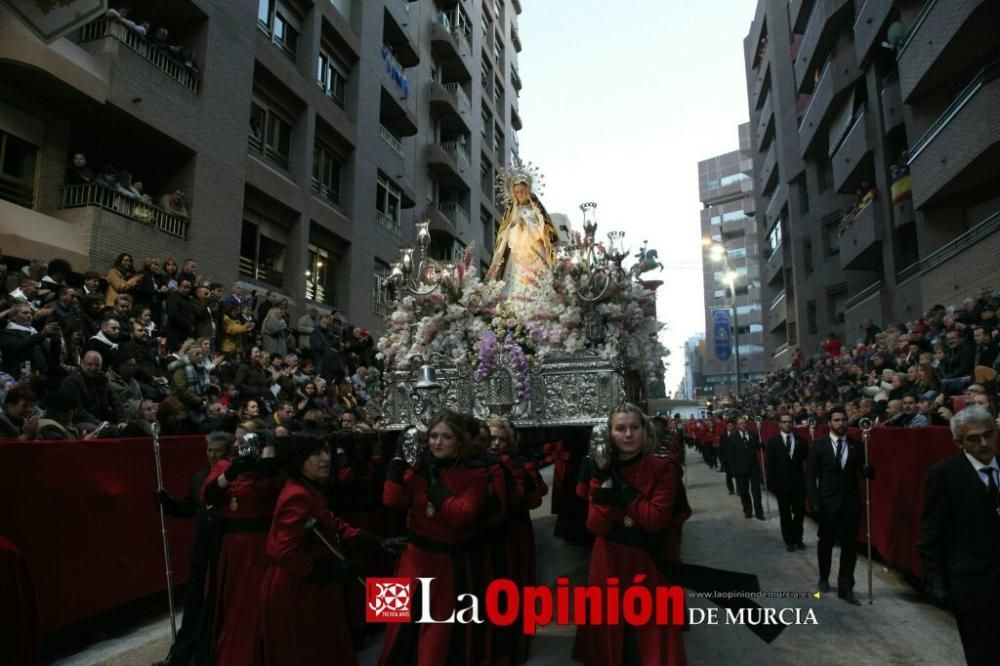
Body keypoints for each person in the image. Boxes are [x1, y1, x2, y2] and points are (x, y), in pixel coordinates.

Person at [255, 435, 403, 666]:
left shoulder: (309, 488)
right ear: (299, 460)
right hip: (299, 589)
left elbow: (333, 524)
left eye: (325, 452)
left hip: (311, 585)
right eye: (316, 454)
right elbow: (286, 551)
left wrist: (374, 542)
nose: (326, 458)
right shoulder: (298, 494)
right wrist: (329, 570)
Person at [572, 403, 686, 665]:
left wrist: (618, 491)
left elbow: (654, 520)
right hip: (608, 562)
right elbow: (596, 526)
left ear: (645, 432)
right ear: (609, 433)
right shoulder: (601, 469)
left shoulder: (662, 469)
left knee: (647, 643)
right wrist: (604, 484)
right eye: (620, 428)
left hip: (648, 561)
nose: (628, 434)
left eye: (634, 427)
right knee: (611, 643)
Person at [379, 411, 491, 666]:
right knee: (395, 632)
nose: (437, 442)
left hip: (448, 564)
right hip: (410, 559)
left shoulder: (477, 474)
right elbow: (392, 501)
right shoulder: (419, 468)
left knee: (438, 639)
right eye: (433, 436)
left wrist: (435, 486)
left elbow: (461, 517)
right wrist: (396, 465)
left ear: (460, 441)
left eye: (446, 437)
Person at [918, 405, 1000, 665]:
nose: (984, 443)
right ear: (958, 442)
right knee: (982, 653)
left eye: (989, 434)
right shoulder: (944, 474)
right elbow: (932, 532)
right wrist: (936, 580)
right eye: (974, 439)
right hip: (971, 585)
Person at [153, 431, 233, 666]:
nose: (211, 455)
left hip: (225, 547)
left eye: (216, 450)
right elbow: (189, 509)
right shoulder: (199, 477)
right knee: (194, 600)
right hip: (203, 547)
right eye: (209, 450)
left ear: (228, 452)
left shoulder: (234, 477)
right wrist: (167, 503)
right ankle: (181, 654)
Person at [201, 431, 280, 666]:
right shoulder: (228, 469)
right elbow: (209, 495)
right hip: (238, 550)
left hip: (271, 548)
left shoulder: (277, 476)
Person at [805, 406, 875, 605]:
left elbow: (866, 471)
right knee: (825, 543)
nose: (841, 423)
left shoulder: (857, 445)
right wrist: (814, 502)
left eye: (843, 420)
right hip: (827, 504)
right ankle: (824, 578)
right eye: (836, 420)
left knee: (850, 547)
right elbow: (810, 476)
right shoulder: (819, 446)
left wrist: (869, 470)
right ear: (829, 423)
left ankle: (846, 587)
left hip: (851, 504)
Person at [485, 166, 558, 302]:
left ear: (528, 191)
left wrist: (527, 223)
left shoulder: (536, 209)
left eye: (522, 191)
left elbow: (543, 230)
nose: (520, 195)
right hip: (517, 253)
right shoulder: (511, 212)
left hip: (535, 251)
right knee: (515, 287)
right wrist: (515, 225)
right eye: (517, 192)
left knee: (537, 284)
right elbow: (504, 235)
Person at [766, 413, 809, 552]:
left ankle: (798, 538)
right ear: (779, 424)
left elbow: (808, 462)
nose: (787, 424)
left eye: (790, 422)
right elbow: (770, 465)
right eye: (784, 422)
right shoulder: (773, 442)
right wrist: (772, 484)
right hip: (781, 485)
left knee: (799, 514)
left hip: (798, 484)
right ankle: (789, 540)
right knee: (785, 515)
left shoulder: (801, 441)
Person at [729, 417, 765, 521]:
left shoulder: (754, 435)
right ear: (737, 426)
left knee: (756, 491)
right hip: (740, 468)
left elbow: (759, 447)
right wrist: (733, 469)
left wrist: (762, 445)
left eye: (744, 423)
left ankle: (759, 513)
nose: (743, 425)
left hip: (753, 467)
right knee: (744, 492)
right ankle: (748, 511)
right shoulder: (733, 437)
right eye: (741, 424)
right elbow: (730, 454)